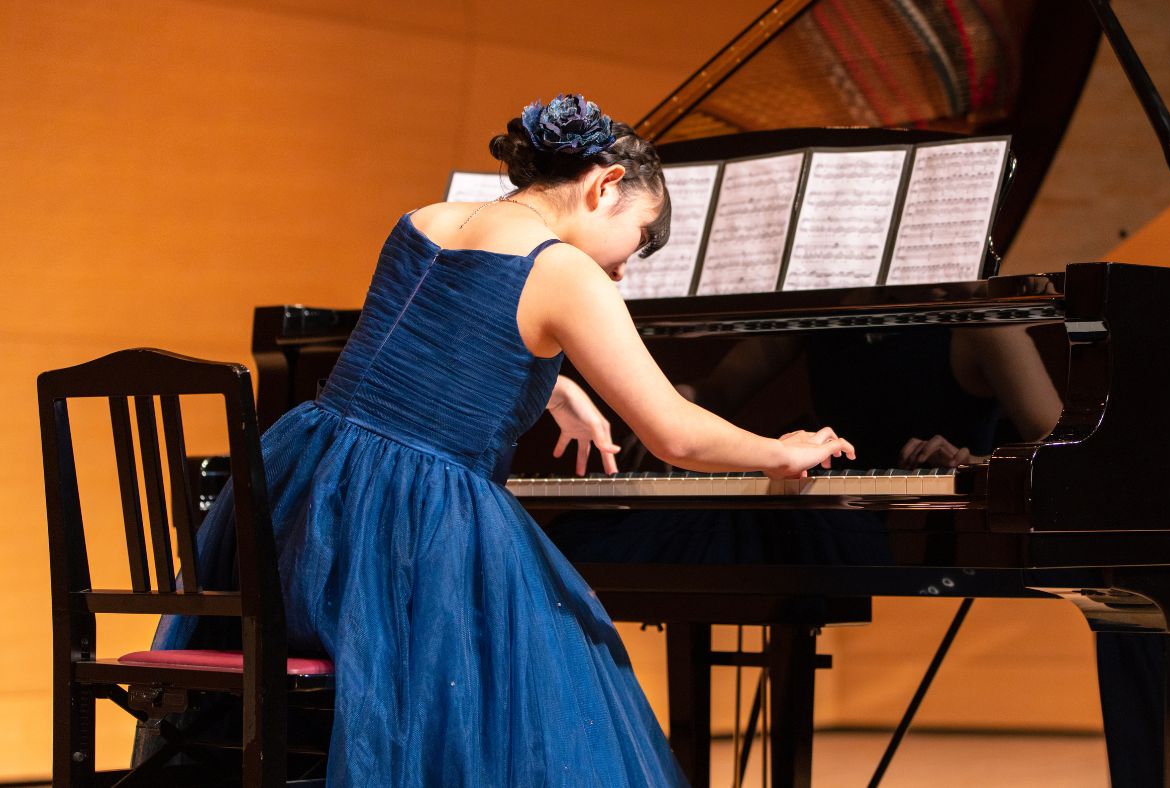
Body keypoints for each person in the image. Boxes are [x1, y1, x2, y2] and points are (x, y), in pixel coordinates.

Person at [151, 93, 854, 787]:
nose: (624, 270)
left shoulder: (424, 220)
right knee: (563, 671)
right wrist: (780, 450)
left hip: (301, 511)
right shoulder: (566, 271)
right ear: (605, 186)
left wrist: (551, 384)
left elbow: (431, 346)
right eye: (637, 241)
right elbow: (674, 433)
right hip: (408, 534)